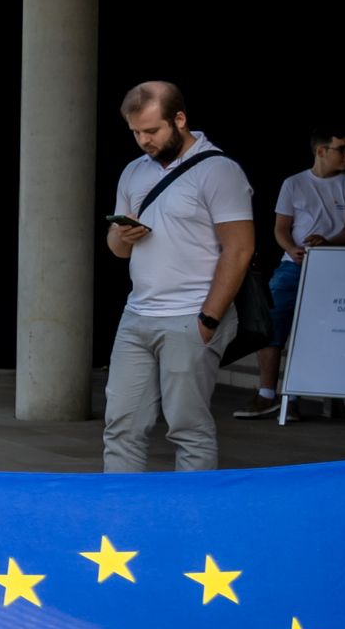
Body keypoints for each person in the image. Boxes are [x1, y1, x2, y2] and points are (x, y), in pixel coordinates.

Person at [102, 80, 255, 474]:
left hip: (191, 315)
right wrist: (121, 235)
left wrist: (209, 319)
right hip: (137, 315)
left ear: (180, 119)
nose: (143, 141)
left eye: (152, 130)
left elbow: (239, 250)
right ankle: (120, 508)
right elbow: (117, 250)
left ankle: (191, 510)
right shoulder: (134, 171)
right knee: (120, 427)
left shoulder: (219, 170)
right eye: (135, 132)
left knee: (188, 429)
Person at [235, 129, 345, 414]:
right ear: (321, 151)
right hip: (293, 265)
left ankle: (296, 397)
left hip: (335, 269)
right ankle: (266, 393)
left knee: (317, 330)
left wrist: (329, 243)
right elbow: (281, 228)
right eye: (342, 149)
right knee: (271, 323)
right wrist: (292, 248)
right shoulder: (294, 183)